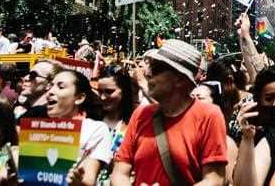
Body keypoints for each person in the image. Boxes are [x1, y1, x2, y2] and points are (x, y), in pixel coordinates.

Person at [112, 39, 227, 186]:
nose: (147, 73)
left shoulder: (209, 115)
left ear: (179, 79)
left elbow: (214, 180)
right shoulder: (140, 114)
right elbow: (119, 172)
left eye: (156, 68)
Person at [46, 70, 113, 186]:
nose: (50, 92)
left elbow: (89, 179)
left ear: (80, 97)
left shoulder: (96, 129)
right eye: (50, 86)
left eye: (61, 87)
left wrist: (77, 182)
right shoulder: (37, 128)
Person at [95, 64, 137, 184]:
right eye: (100, 92)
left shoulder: (137, 122)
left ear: (124, 91)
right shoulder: (92, 118)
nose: (103, 97)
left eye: (109, 92)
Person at [194, 82, 238, 185]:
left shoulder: (227, 143)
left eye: (199, 98)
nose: (193, 102)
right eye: (191, 97)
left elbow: (224, 180)